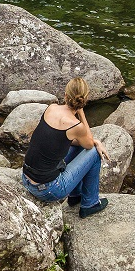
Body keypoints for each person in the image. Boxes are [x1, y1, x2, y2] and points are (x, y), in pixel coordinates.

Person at [21, 77, 112, 217]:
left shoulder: (51, 108)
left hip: (26, 178)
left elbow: (59, 140)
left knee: (79, 146)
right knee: (94, 151)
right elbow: (89, 143)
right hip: (48, 190)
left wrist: (90, 141)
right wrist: (81, 113)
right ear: (84, 100)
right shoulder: (76, 125)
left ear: (65, 95)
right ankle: (90, 203)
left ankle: (75, 195)